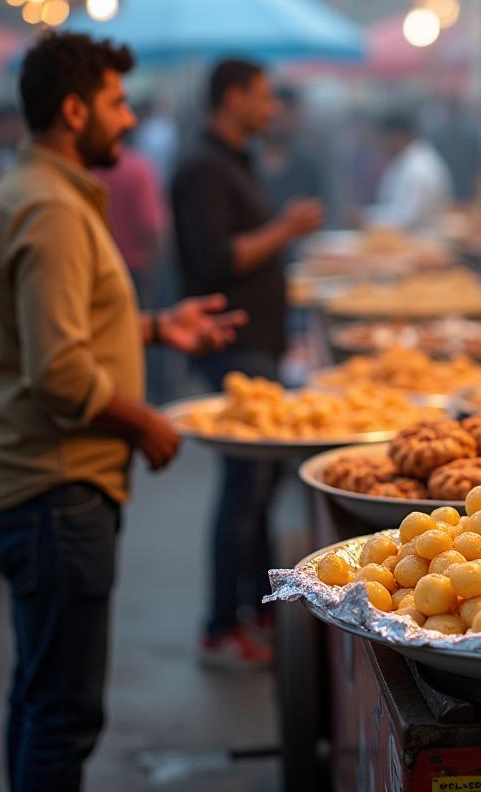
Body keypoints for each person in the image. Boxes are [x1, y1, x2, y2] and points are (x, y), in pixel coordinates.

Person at [0, 31, 245, 792]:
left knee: (38, 695)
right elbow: (58, 373)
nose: (127, 120)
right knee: (63, 714)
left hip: (41, 494)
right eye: (116, 104)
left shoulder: (35, 196)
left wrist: (157, 326)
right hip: (57, 497)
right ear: (73, 108)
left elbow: (63, 333)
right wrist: (147, 422)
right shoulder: (50, 209)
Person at [171, 58, 324, 666]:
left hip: (257, 345)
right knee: (243, 487)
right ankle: (220, 626)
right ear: (232, 98)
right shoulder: (204, 168)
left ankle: (259, 612)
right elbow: (214, 261)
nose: (271, 108)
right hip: (232, 350)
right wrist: (285, 229)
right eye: (261, 97)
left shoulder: (233, 160)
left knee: (256, 490)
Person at [93, 139, 169, 302]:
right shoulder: (138, 170)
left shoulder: (90, 172)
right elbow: (151, 229)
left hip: (100, 270)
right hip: (134, 270)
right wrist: (153, 278)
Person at [364, 113, 452, 233]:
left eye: (383, 140)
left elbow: (405, 221)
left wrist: (366, 219)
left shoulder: (418, 169)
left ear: (396, 138)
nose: (381, 146)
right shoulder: (408, 161)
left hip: (419, 243)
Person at [258, 84, 325, 211]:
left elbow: (321, 209)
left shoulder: (306, 164)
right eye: (271, 117)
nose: (273, 123)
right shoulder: (245, 161)